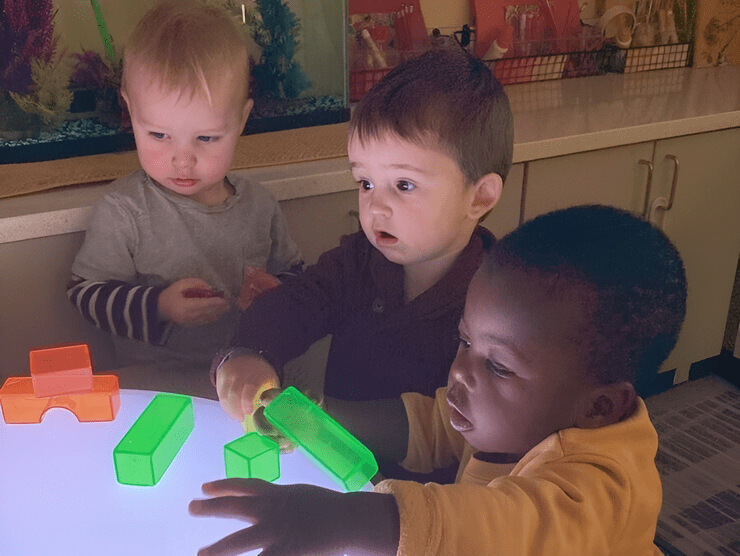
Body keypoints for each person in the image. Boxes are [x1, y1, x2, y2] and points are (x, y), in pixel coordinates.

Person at [189, 204, 687, 556]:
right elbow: (432, 424)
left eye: (498, 365)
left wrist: (345, 519)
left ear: (599, 407)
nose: (460, 372)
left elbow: (507, 531)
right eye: (465, 342)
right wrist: (316, 419)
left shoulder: (604, 486)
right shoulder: (507, 417)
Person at [213, 49, 514, 481]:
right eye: (366, 182)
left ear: (480, 196)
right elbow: (296, 304)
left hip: (428, 505)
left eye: (404, 184)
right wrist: (246, 356)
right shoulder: (357, 261)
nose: (375, 206)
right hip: (337, 472)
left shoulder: (502, 300)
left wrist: (330, 418)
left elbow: (462, 430)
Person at [67, 1, 302, 378]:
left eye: (206, 137)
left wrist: (275, 293)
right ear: (130, 112)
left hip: (245, 379)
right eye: (159, 135)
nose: (183, 160)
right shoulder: (124, 210)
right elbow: (86, 293)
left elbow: (296, 277)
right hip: (154, 385)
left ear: (240, 120)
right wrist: (158, 306)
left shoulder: (259, 205)